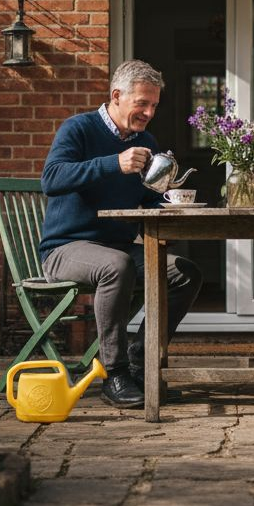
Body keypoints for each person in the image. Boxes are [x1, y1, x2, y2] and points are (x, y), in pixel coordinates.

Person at [38, 59, 203, 409]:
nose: (148, 112)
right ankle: (114, 373)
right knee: (116, 265)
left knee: (184, 273)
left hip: (119, 248)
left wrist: (169, 210)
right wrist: (114, 162)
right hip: (66, 249)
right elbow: (51, 180)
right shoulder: (78, 129)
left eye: (154, 105)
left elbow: (148, 196)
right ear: (116, 96)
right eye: (141, 103)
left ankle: (142, 366)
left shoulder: (146, 140)